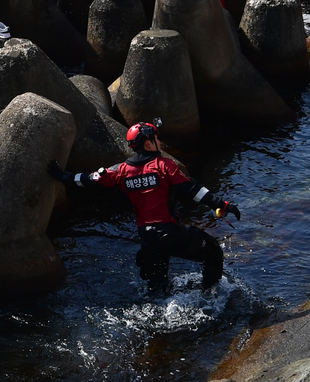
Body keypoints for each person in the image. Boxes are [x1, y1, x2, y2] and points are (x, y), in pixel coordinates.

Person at [47, 121, 239, 294]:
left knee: (157, 289)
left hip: (147, 238)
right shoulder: (164, 166)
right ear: (148, 143)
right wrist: (222, 204)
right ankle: (211, 297)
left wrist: (62, 176)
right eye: (156, 138)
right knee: (213, 252)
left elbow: (89, 178)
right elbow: (193, 190)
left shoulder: (120, 170)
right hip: (169, 233)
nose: (160, 142)